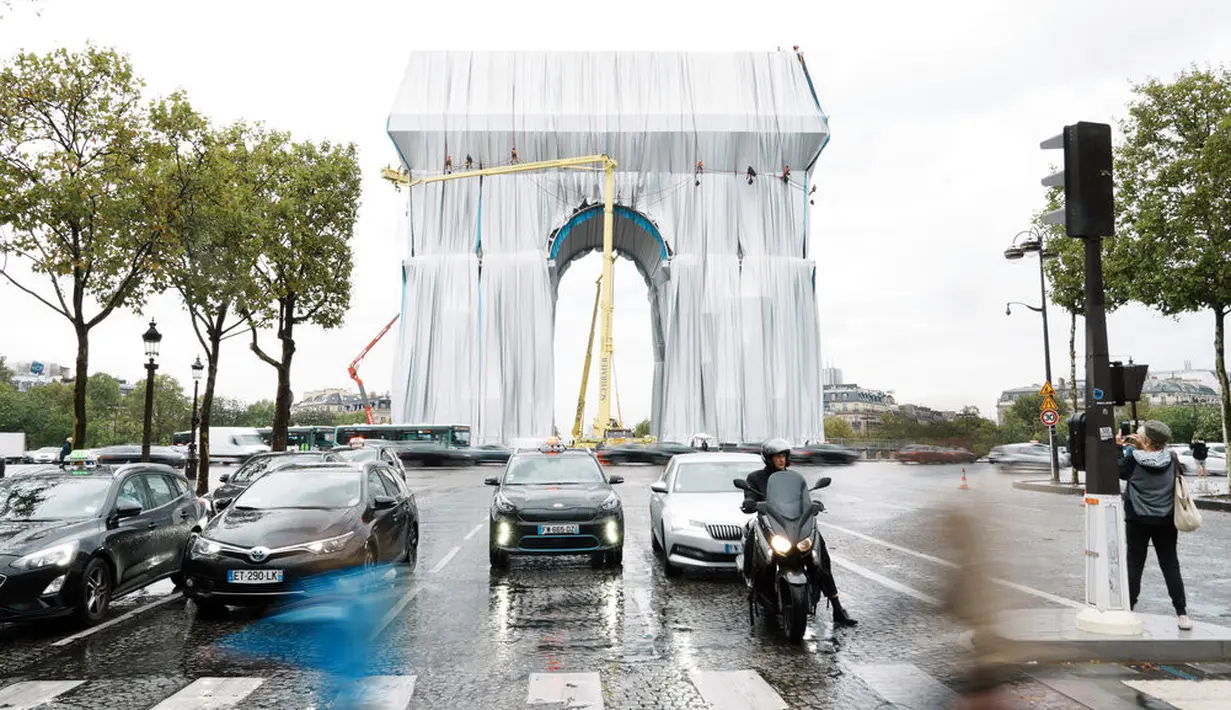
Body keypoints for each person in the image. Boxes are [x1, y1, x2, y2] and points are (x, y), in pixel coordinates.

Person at [740, 438, 856, 627]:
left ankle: (837, 608)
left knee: (819, 554)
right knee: (753, 535)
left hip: (791, 525)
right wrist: (749, 502)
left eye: (784, 456)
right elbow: (750, 496)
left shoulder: (794, 478)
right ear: (768, 459)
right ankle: (752, 583)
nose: (781, 460)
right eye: (777, 456)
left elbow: (804, 499)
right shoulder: (755, 478)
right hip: (768, 523)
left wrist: (814, 504)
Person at [1117, 420, 1191, 630]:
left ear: (1146, 439)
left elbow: (1115, 470)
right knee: (1170, 565)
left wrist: (1117, 447)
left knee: (1134, 564)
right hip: (1167, 519)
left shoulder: (1132, 460)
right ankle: (1182, 614)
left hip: (1138, 520)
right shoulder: (1173, 458)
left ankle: (1128, 609)